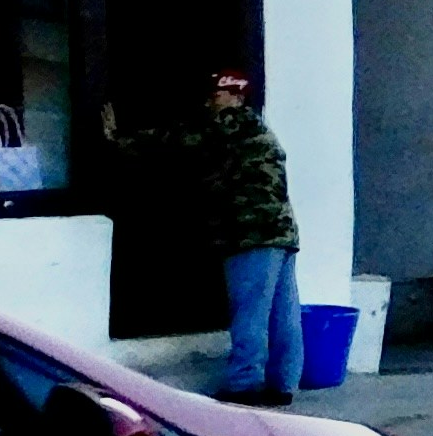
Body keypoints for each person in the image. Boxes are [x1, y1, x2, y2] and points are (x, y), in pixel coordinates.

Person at [111, 70, 304, 403]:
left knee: (250, 312)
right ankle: (283, 385)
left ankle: (245, 384)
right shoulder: (255, 128)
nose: (208, 101)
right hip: (280, 233)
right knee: (282, 314)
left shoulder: (227, 125)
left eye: (215, 95)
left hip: (250, 234)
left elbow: (177, 141)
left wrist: (119, 140)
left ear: (235, 96)